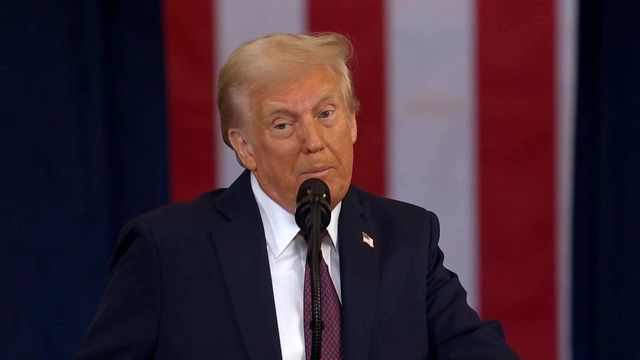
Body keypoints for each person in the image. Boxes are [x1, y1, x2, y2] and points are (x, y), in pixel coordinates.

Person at [75, 33, 518, 359]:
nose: (314, 141)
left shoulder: (406, 236)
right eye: (283, 124)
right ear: (245, 147)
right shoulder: (167, 249)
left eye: (327, 114)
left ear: (354, 123)